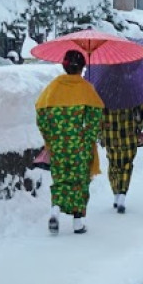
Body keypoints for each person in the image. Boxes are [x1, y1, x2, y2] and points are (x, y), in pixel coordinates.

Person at [35, 49, 104, 234]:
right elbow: (94, 118)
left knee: (61, 179)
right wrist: (87, 140)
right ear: (82, 68)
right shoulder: (86, 89)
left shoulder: (52, 87)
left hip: (57, 144)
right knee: (80, 182)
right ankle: (78, 222)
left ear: (64, 66)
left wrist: (50, 138)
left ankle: (55, 210)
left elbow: (41, 115)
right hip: (79, 145)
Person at [99, 101, 143, 214]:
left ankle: (116, 193)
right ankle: (122, 194)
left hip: (110, 134)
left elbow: (98, 113)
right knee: (127, 164)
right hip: (128, 134)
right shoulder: (131, 91)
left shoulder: (103, 92)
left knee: (113, 163)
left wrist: (100, 133)